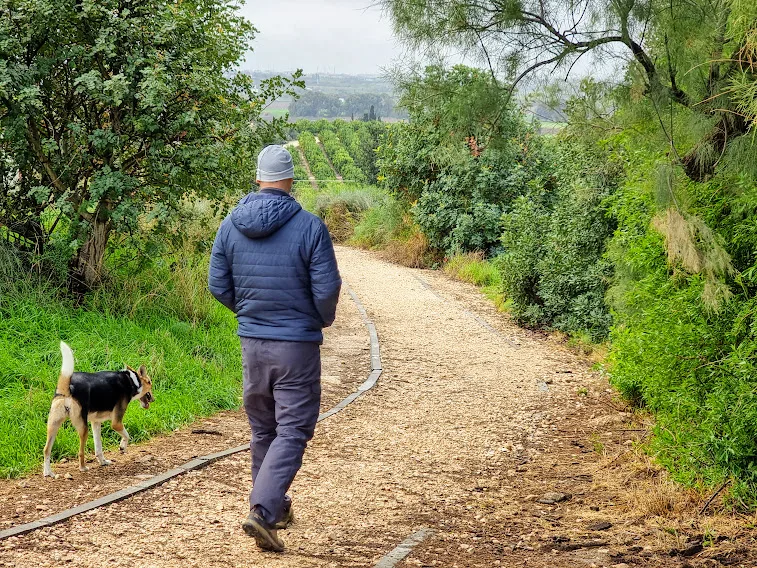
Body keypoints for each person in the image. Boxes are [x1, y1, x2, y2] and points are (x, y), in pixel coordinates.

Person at [208, 145, 341, 552]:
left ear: (258, 177)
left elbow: (218, 284)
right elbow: (327, 288)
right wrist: (315, 320)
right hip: (296, 348)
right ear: (290, 180)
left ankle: (275, 507)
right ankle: (262, 513)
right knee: (294, 429)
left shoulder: (230, 225)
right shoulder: (310, 226)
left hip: (253, 345)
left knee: (264, 427)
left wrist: (248, 312)